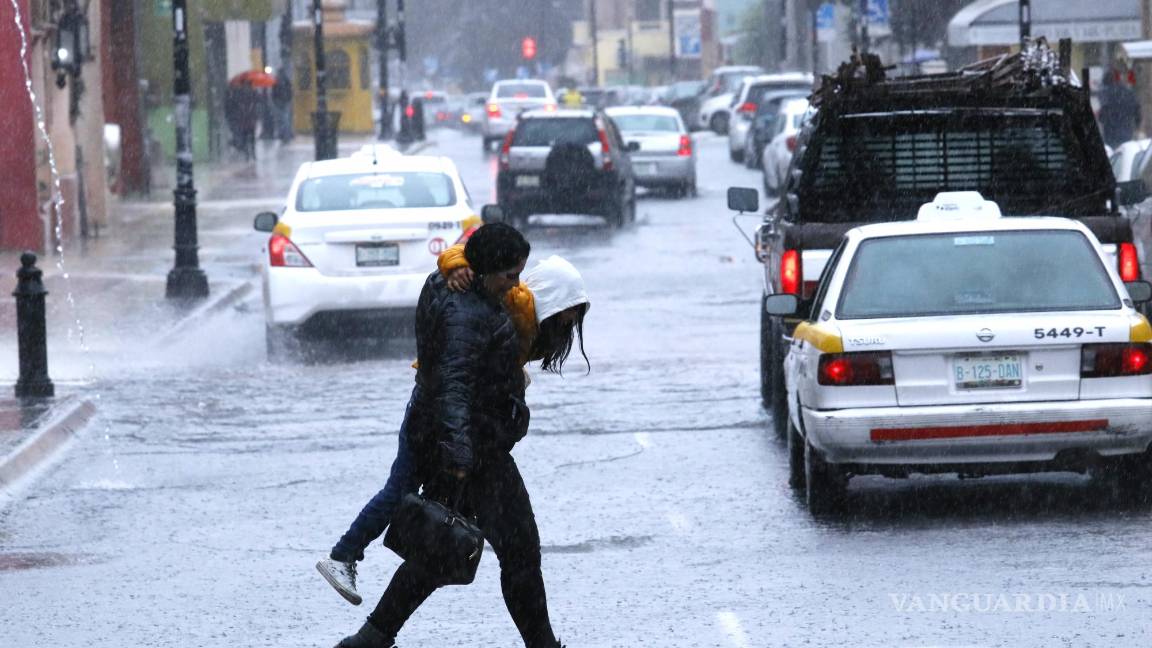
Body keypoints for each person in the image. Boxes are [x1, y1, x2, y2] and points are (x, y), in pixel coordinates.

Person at [324, 225, 582, 648]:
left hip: (466, 442)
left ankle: (369, 639)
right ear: (486, 271)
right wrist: (461, 452)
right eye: (508, 276)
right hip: (474, 449)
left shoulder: (477, 299)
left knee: (440, 550)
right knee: (511, 550)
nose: (515, 284)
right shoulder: (471, 311)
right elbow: (455, 385)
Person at [1098, 68, 1141, 149]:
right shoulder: (1129, 93)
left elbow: (1102, 116)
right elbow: (1137, 111)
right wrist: (1137, 126)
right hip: (1127, 133)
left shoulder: (1107, 95)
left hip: (1111, 134)